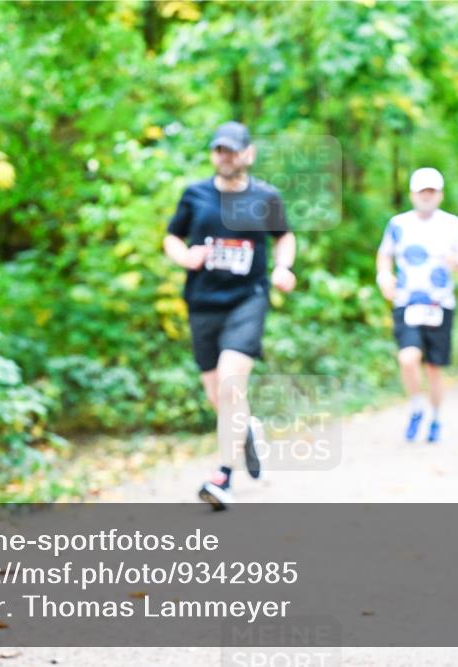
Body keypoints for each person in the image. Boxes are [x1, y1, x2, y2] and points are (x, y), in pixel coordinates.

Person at [164, 122, 296, 510]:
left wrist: (283, 267)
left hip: (247, 300)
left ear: (248, 154)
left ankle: (222, 476)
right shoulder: (195, 195)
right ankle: (247, 429)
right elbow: (172, 236)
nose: (226, 157)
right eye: (220, 150)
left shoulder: (266, 197)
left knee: (229, 385)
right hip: (203, 303)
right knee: (217, 395)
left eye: (233, 150)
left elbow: (284, 236)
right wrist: (184, 256)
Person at [376, 167, 458, 443]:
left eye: (431, 191)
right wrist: (384, 277)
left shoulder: (452, 224)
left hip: (439, 303)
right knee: (407, 358)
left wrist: (456, 262)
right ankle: (416, 406)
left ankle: (436, 418)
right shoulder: (398, 224)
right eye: (422, 191)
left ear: (440, 195)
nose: (426, 196)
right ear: (412, 194)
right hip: (406, 301)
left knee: (434, 367)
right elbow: (384, 255)